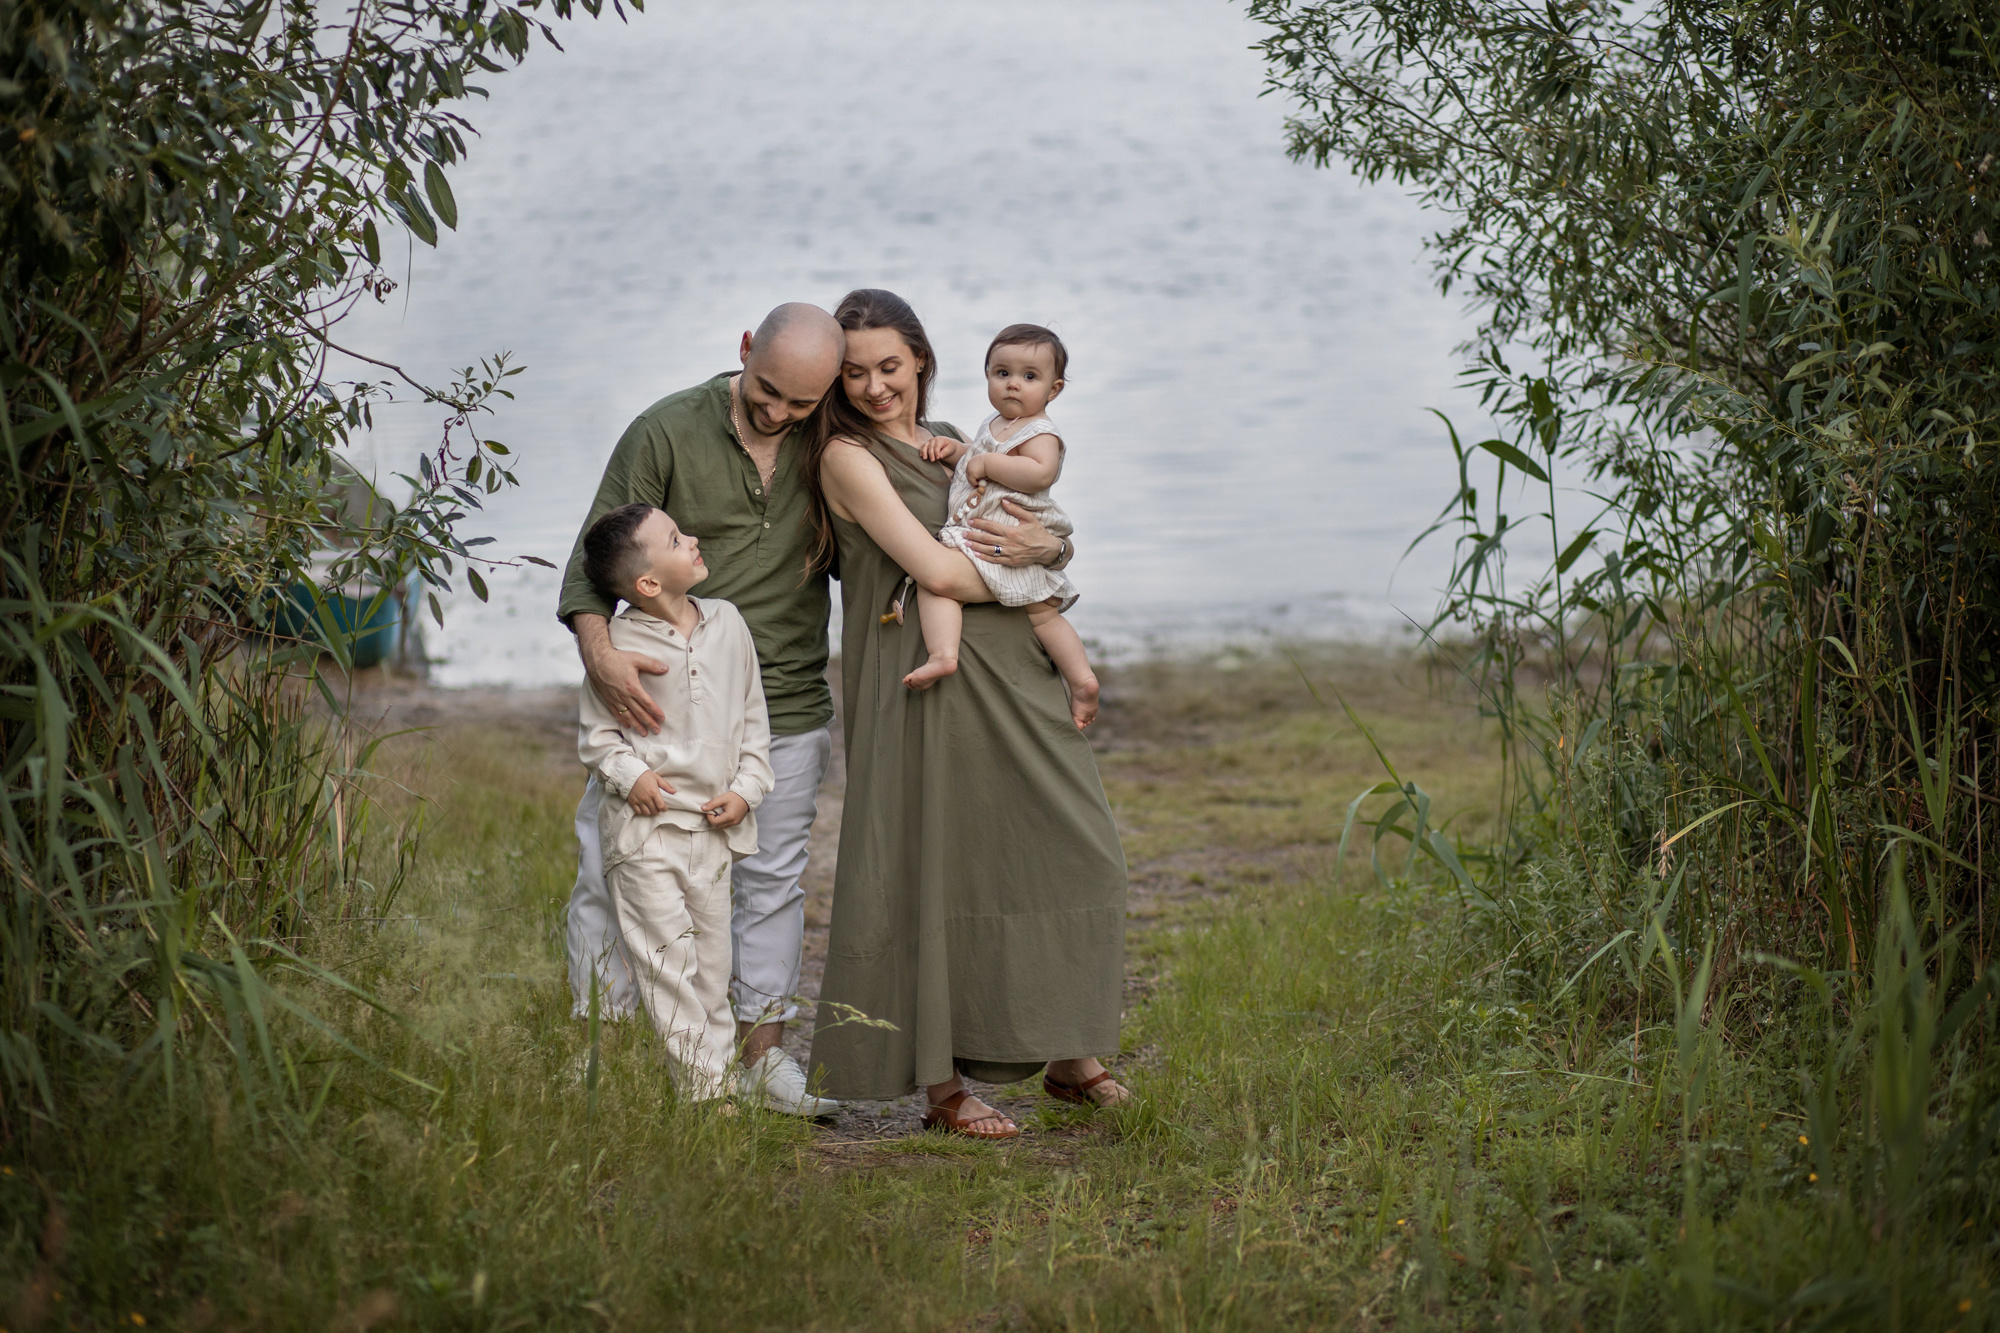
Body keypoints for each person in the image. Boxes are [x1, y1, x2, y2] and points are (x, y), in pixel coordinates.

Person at [556, 302, 1078, 1118]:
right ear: (742, 353)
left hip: (787, 694)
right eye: (768, 391)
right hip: (659, 695)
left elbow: (951, 533)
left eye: (801, 401)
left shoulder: (829, 436)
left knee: (769, 882)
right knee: (618, 871)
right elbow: (598, 553)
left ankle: (763, 1061)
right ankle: (608, 1055)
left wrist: (1051, 552)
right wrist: (601, 656)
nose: (779, 412)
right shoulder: (665, 431)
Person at [802, 289, 1132, 1140]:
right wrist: (1044, 574)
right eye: (856, 372)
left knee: (1068, 844)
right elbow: (938, 572)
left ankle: (1065, 1052)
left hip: (1012, 665)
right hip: (920, 670)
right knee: (933, 864)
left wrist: (1053, 547)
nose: (877, 386)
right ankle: (941, 1085)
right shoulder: (846, 456)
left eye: (890, 366)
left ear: (919, 358)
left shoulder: (961, 437)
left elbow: (1028, 519)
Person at [576, 503, 771, 1102]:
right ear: (649, 583)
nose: (694, 538)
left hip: (712, 834)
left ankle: (718, 1082)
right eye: (676, 537)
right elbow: (597, 737)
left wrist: (746, 789)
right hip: (644, 833)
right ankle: (706, 1095)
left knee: (711, 968)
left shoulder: (728, 623)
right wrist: (629, 774)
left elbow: (753, 722)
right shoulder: (615, 646)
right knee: (668, 966)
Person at [909, 324, 1099, 729]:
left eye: (1029, 377)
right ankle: (945, 656)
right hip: (993, 531)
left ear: (1054, 389)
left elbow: (1040, 473)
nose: (1013, 385)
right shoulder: (994, 424)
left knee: (1039, 614)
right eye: (1002, 373)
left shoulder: (1041, 431)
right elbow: (975, 462)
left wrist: (985, 463)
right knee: (1040, 615)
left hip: (1010, 525)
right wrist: (956, 452)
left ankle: (1081, 680)